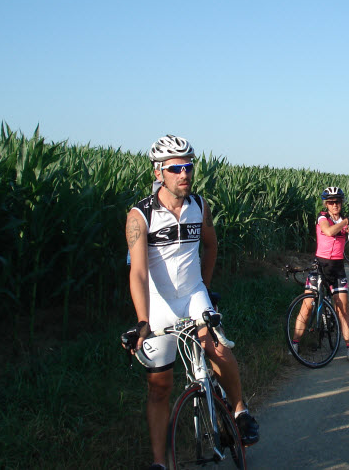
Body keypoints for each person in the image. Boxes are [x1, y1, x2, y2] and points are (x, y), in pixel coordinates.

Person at [125, 134, 259, 470]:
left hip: (193, 293)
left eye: (189, 166)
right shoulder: (140, 215)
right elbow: (138, 273)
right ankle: (160, 462)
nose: (184, 174)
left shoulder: (201, 205)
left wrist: (205, 288)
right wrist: (142, 321)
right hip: (158, 304)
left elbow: (211, 247)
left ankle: (240, 410)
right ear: (159, 173)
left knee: (215, 347)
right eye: (175, 169)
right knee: (160, 386)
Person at [292, 187, 349, 362]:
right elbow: (329, 231)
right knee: (307, 306)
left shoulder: (347, 222)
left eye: (337, 201)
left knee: (343, 310)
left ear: (341, 203)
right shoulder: (323, 217)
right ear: (326, 204)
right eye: (331, 202)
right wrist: (346, 222)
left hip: (337, 268)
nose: (334, 205)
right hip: (320, 266)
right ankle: (295, 344)